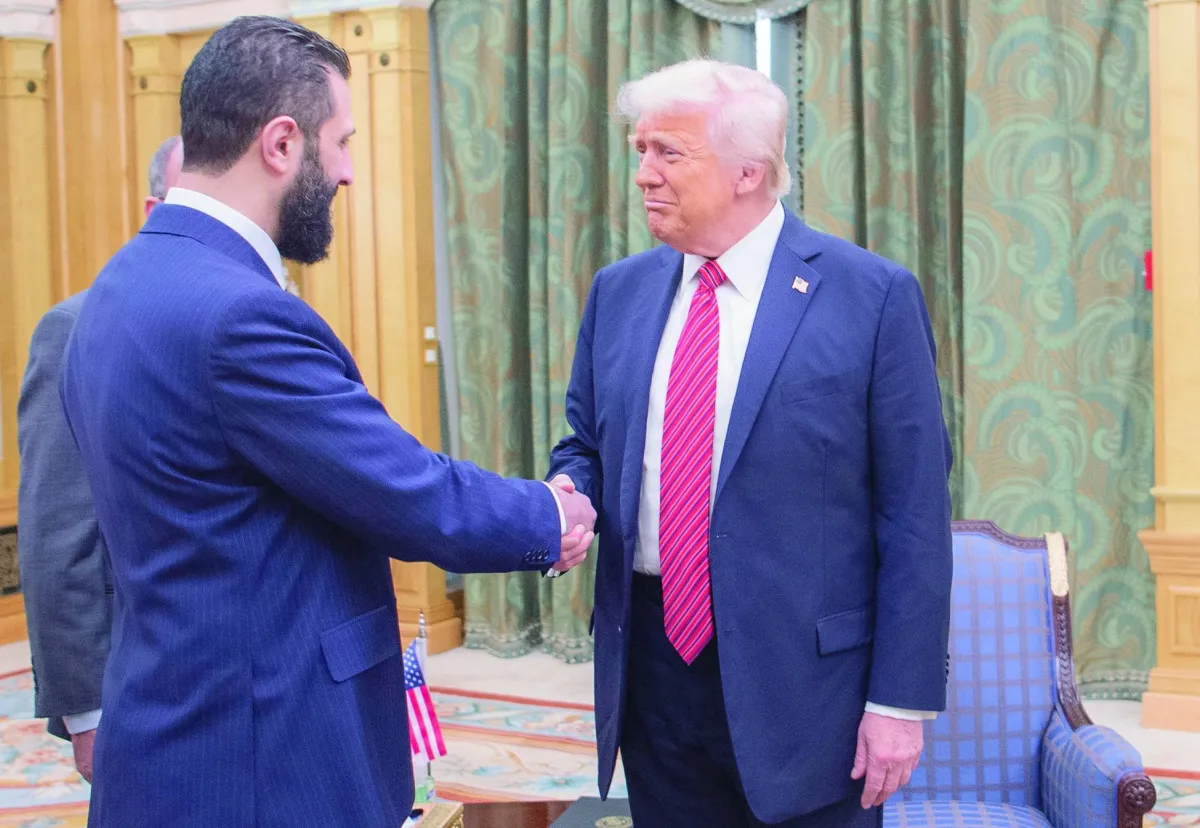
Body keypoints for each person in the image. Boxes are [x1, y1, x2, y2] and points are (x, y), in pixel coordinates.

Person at [58, 17, 595, 828]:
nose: (347, 172)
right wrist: (549, 516)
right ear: (282, 143)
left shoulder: (117, 286)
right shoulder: (239, 315)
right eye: (340, 142)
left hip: (171, 729)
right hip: (264, 759)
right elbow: (402, 489)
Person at [547, 59, 953, 827]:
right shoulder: (618, 291)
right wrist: (570, 494)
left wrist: (899, 702)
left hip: (810, 686)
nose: (643, 174)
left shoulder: (871, 296)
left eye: (669, 152)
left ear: (748, 171)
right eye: (640, 150)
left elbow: (915, 514)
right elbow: (587, 445)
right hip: (653, 666)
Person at [16, 134, 184, 784]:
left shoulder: (270, 322)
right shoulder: (75, 329)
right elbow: (57, 536)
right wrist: (86, 714)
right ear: (153, 210)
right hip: (139, 681)